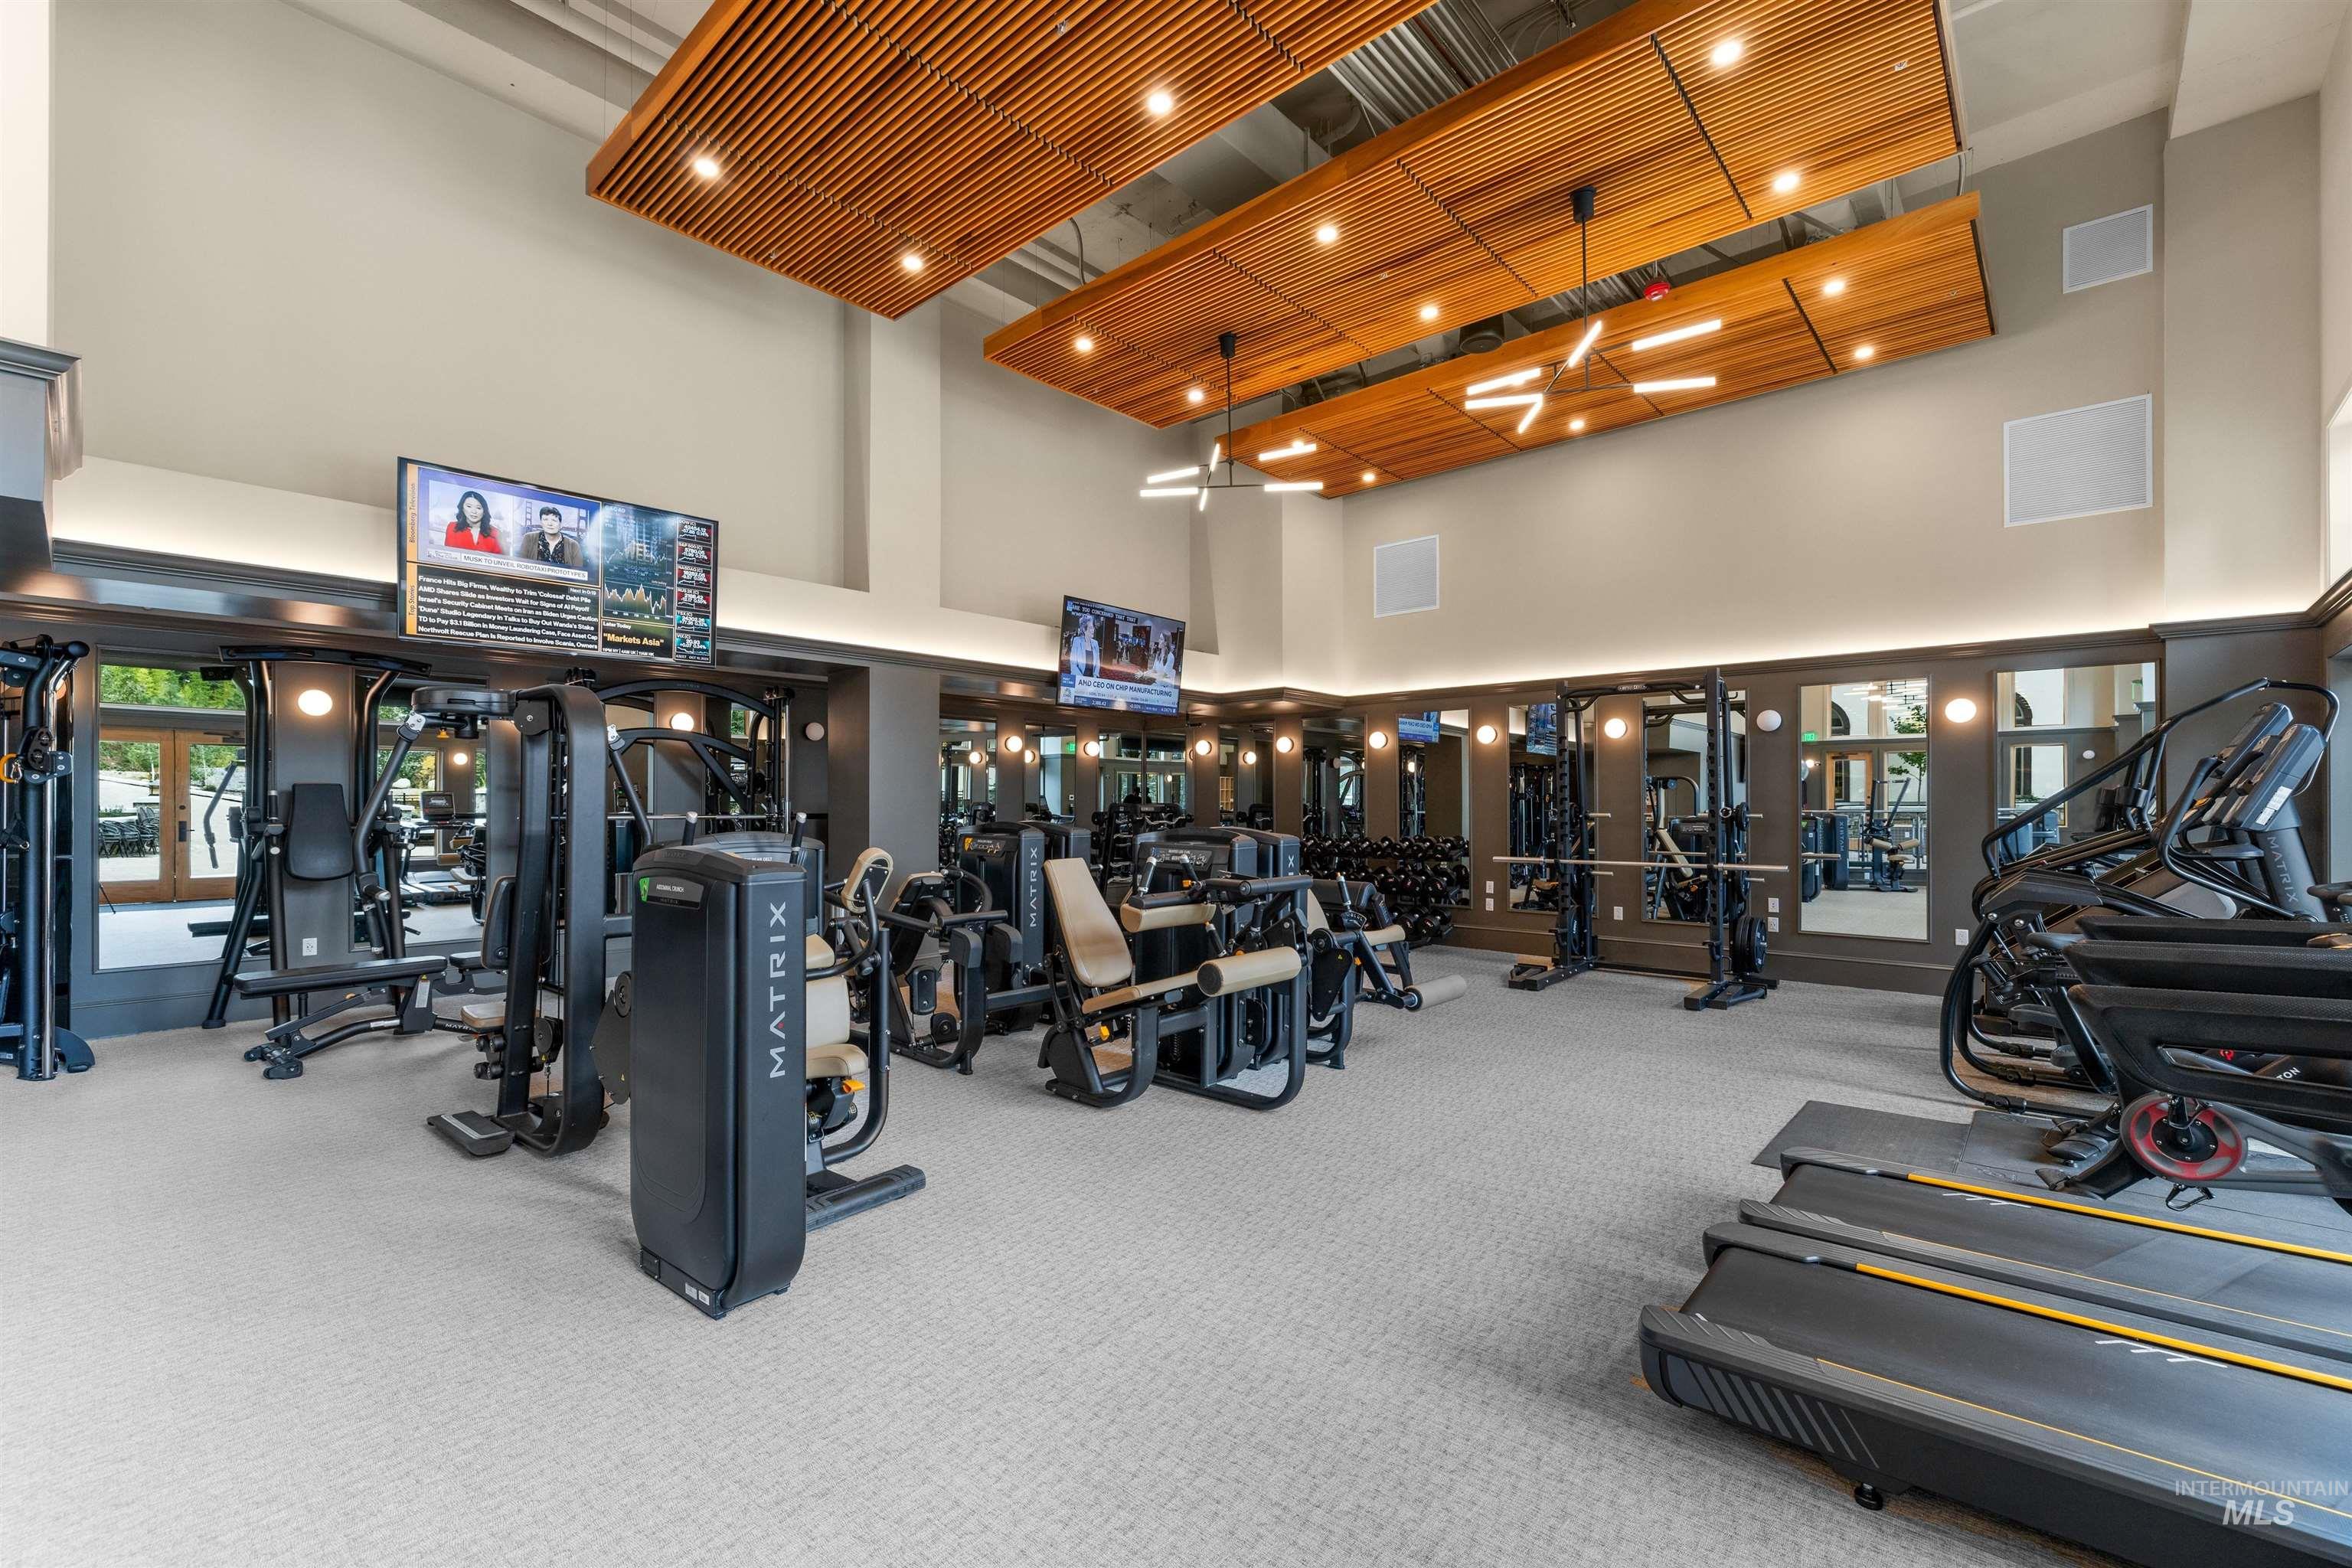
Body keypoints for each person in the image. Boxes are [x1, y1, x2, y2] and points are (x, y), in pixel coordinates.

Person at [523, 505, 583, 569]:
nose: (550, 524)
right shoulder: (529, 538)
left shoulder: (573, 545)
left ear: (561, 524)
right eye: (545, 519)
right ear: (541, 522)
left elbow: (579, 574)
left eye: (554, 520)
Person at [443, 490, 500, 554]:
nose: (474, 511)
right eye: (469, 506)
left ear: (484, 511)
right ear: (462, 508)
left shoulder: (495, 533)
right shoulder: (452, 527)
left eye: (478, 508)